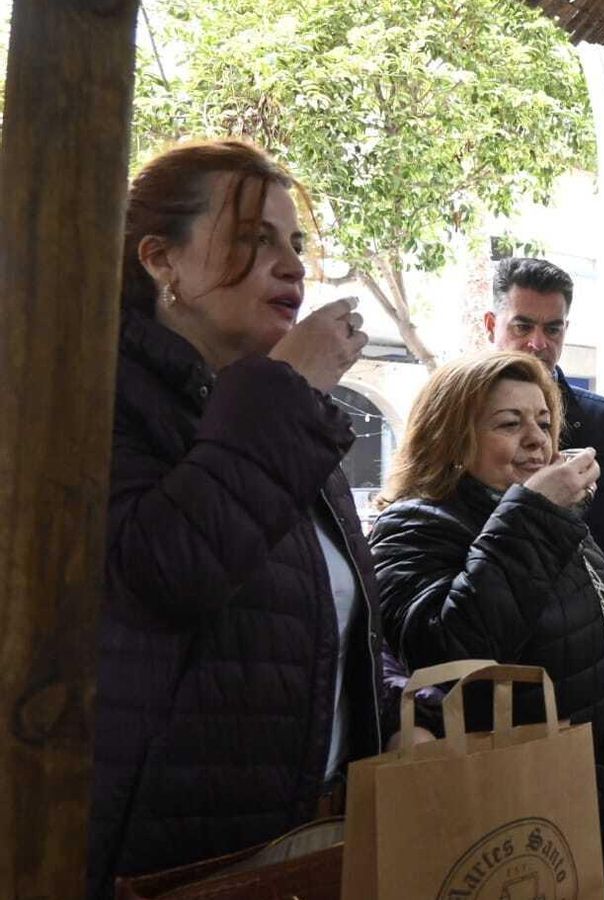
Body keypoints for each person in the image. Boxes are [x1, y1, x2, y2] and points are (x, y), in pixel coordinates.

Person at [91, 140, 422, 896]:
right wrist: (287, 387)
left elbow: (327, 624)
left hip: (306, 841)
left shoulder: (280, 413)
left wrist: (402, 705)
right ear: (160, 260)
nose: (293, 268)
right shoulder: (103, 396)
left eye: (295, 244)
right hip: (170, 860)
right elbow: (165, 574)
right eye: (252, 239)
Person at [367, 351, 604, 900]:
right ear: (451, 436)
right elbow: (449, 654)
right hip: (509, 818)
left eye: (544, 422)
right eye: (509, 423)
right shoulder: (415, 523)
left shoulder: (551, 518)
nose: (537, 440)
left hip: (603, 804)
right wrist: (534, 513)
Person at [485, 258, 604, 572]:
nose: (537, 343)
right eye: (522, 326)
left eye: (552, 329)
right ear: (492, 326)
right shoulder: (455, 417)